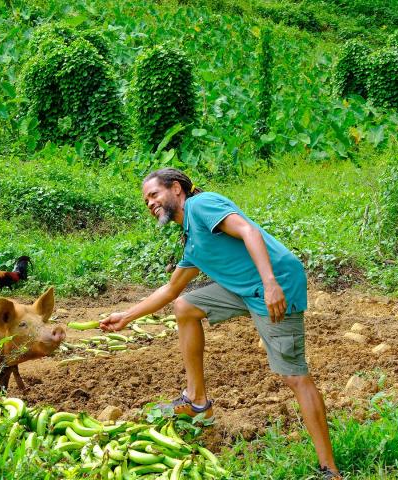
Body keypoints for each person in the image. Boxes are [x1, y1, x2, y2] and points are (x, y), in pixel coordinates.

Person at [100, 168, 342, 479]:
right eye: (146, 199)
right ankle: (196, 400)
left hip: (276, 283)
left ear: (176, 189)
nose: (150, 203)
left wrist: (270, 283)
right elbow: (172, 289)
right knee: (185, 305)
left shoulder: (201, 206)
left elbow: (249, 232)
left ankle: (329, 470)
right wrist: (126, 316)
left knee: (293, 376)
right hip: (244, 288)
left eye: (154, 194)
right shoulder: (193, 242)